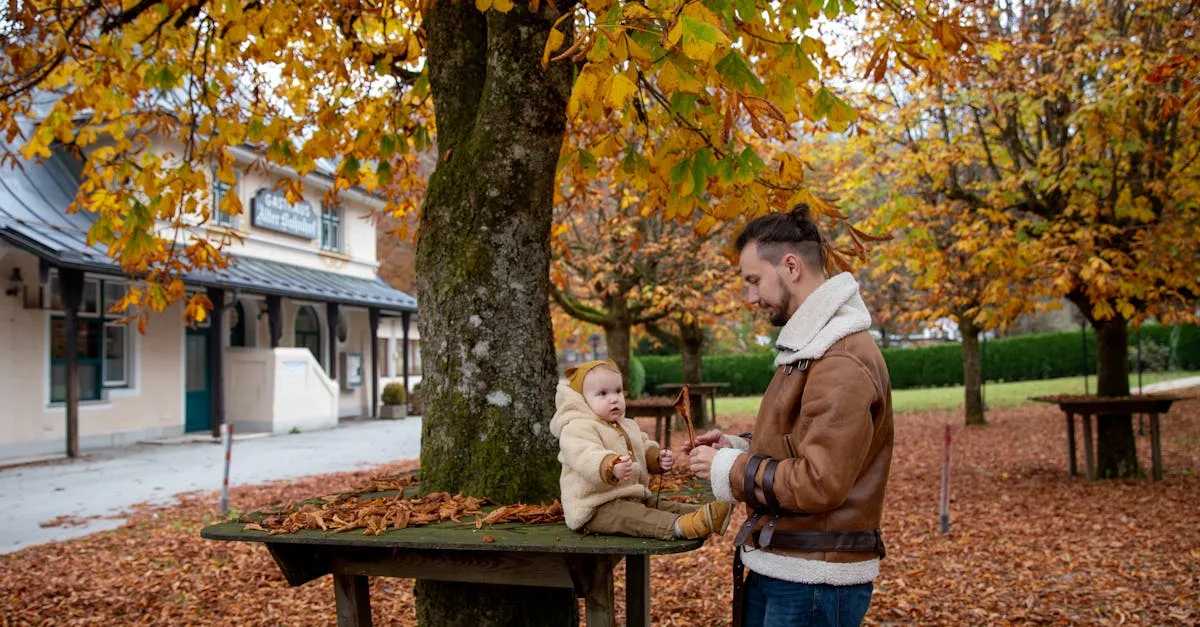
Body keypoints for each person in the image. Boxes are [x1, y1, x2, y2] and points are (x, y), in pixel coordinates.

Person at [686, 205, 894, 627]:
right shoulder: (811, 348)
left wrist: (729, 468)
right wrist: (737, 447)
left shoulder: (840, 358)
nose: (750, 298)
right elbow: (799, 441)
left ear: (791, 266)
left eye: (754, 280)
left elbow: (820, 481)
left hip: (813, 581)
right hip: (783, 566)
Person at [550, 359, 733, 540]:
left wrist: (656, 458)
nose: (614, 398)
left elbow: (643, 444)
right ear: (581, 400)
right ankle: (680, 526)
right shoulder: (576, 428)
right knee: (639, 517)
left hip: (632, 496)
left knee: (658, 504)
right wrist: (610, 465)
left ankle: (704, 515)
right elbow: (584, 455)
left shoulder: (626, 424)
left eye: (618, 391)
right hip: (595, 506)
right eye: (603, 393)